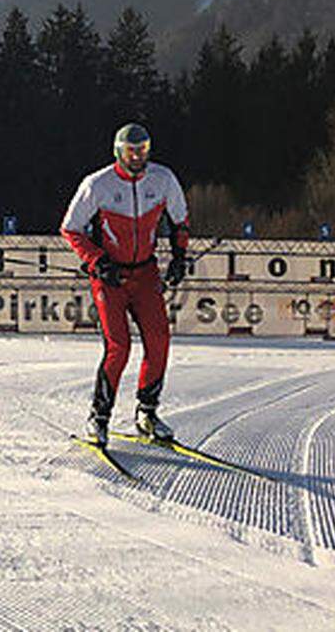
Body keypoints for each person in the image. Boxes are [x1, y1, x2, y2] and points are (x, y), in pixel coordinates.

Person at [59, 123, 189, 447]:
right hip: (111, 277)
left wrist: (178, 257)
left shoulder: (163, 180)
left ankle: (147, 412)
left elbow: (180, 222)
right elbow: (71, 228)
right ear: (118, 151)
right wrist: (98, 261)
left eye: (143, 150)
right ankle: (99, 417)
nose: (137, 157)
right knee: (119, 346)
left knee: (159, 340)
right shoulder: (98, 184)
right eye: (131, 151)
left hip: (145, 274)